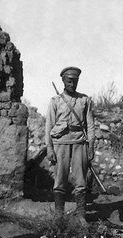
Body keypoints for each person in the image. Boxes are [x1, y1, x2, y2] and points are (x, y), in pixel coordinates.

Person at [45, 66, 96, 225]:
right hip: (60, 143)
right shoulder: (56, 101)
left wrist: (91, 146)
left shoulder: (84, 100)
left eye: (75, 81)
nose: (72, 84)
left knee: (81, 180)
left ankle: (81, 216)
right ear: (63, 81)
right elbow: (49, 126)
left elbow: (90, 125)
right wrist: (49, 148)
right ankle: (58, 215)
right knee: (60, 179)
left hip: (80, 142)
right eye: (69, 81)